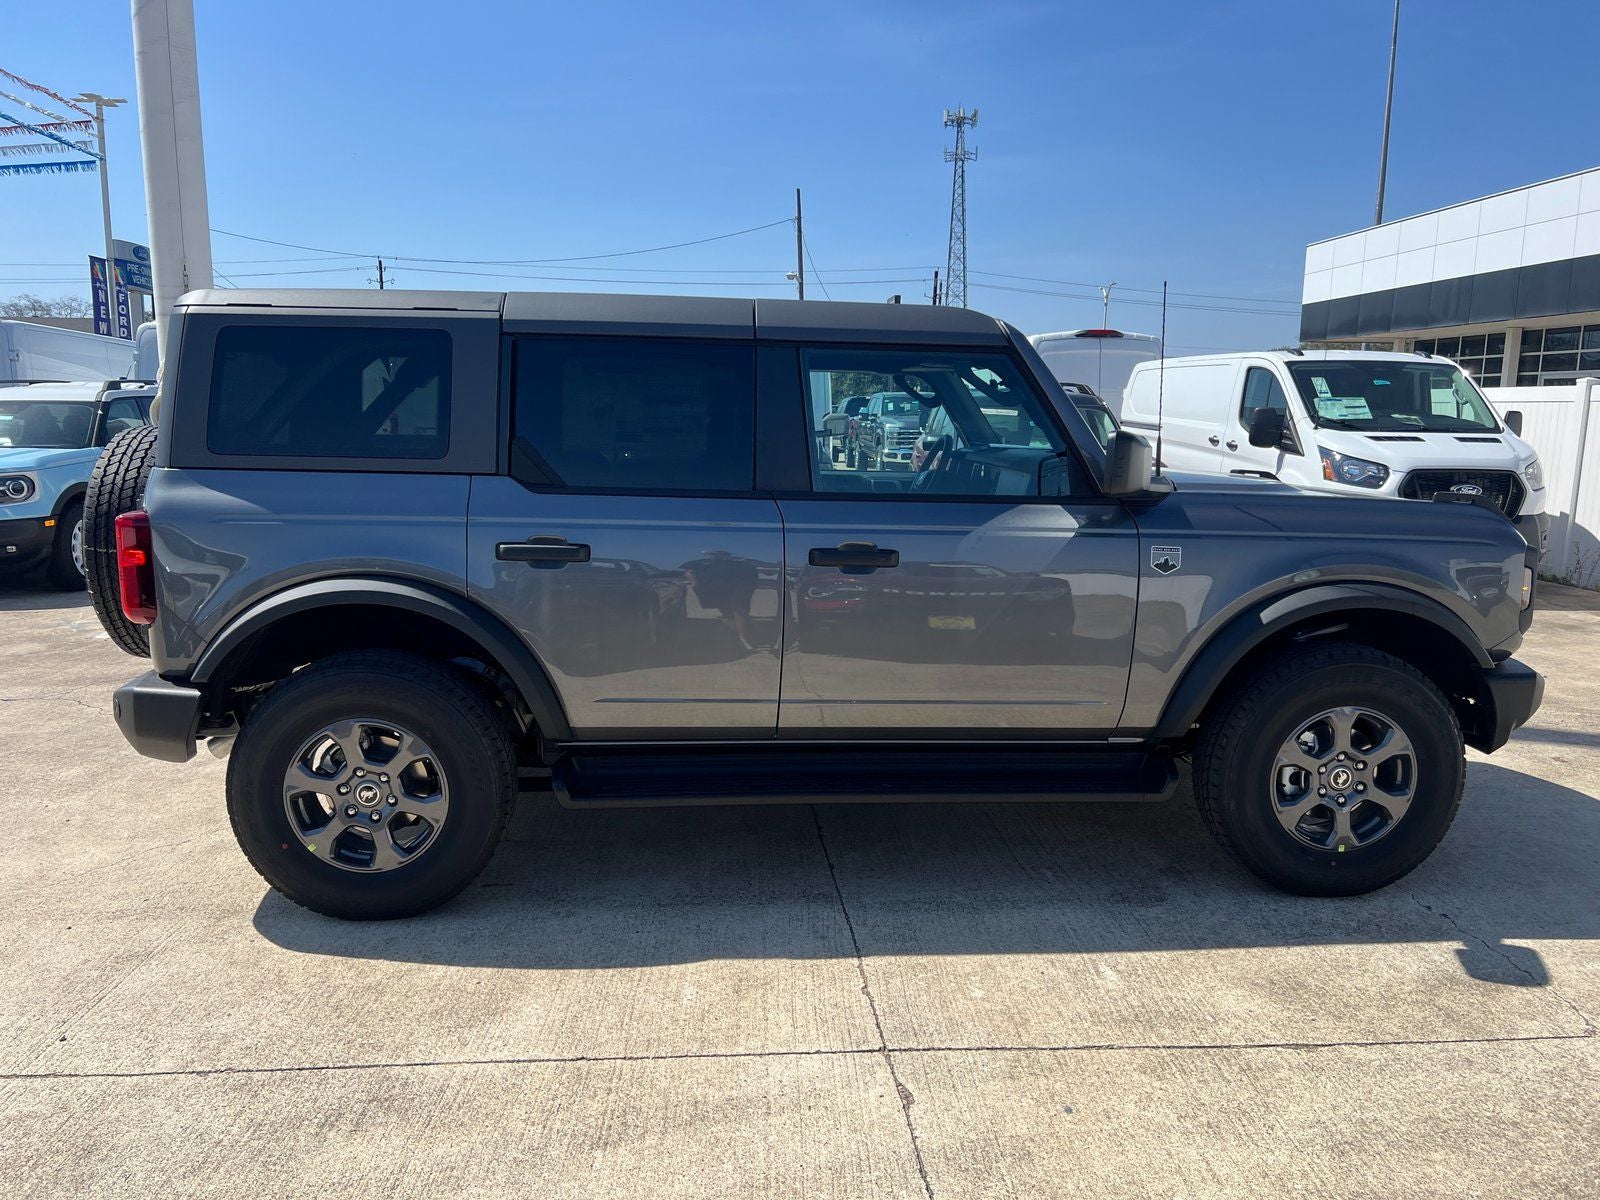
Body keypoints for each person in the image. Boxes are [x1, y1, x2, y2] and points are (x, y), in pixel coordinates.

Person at [683, 549, 760, 650]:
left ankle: (743, 639)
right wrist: (695, 584)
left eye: (711, 554)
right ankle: (737, 638)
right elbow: (689, 574)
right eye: (707, 554)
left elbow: (751, 574)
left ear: (722, 554)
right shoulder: (700, 564)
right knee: (727, 614)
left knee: (739, 612)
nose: (708, 556)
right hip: (717, 592)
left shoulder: (737, 563)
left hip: (735, 590)